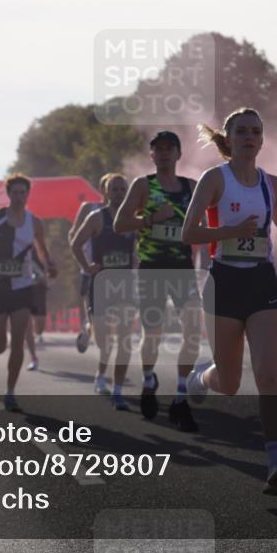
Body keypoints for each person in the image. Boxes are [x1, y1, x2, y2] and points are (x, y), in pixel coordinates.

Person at [181, 108, 277, 494]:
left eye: (256, 131)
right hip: (224, 282)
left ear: (262, 138)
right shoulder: (214, 179)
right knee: (229, 383)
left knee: (268, 374)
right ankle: (201, 377)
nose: (249, 137)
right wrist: (229, 230)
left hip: (261, 281)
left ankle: (276, 462)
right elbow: (190, 232)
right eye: (242, 131)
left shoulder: (271, 183)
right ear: (229, 136)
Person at [114, 131, 204, 432]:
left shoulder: (192, 187)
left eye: (170, 149)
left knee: (193, 327)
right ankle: (149, 378)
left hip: (181, 267)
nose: (164, 154)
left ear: (179, 154)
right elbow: (120, 224)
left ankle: (180, 395)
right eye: (158, 150)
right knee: (153, 332)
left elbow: (200, 229)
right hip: (152, 268)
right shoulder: (144, 186)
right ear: (151, 155)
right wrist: (151, 220)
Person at [0, 174, 57, 411]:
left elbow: (41, 250)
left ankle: (10, 392)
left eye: (23, 192)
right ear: (8, 194)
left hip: (22, 287)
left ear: (28, 194)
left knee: (18, 342)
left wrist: (49, 265)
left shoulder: (35, 222)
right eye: (15, 192)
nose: (19, 197)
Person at [70, 173, 138, 409]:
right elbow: (75, 243)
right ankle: (100, 374)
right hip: (100, 284)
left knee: (125, 339)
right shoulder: (96, 217)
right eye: (114, 189)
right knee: (104, 340)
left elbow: (143, 246)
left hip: (125, 286)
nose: (119, 193)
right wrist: (86, 266)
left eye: (122, 189)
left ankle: (117, 390)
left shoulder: (134, 219)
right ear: (106, 193)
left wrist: (139, 261)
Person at [71, 174, 111, 352]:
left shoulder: (123, 211)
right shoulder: (89, 208)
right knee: (92, 309)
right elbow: (73, 234)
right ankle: (88, 329)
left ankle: (93, 332)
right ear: (102, 190)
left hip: (116, 268)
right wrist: (82, 255)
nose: (114, 192)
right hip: (91, 266)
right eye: (109, 187)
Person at [25, 259, 49, 371]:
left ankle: (37, 333)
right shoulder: (16, 247)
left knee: (40, 324)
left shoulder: (39, 253)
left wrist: (47, 275)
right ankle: (33, 358)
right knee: (27, 325)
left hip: (38, 290)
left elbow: (51, 269)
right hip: (22, 290)